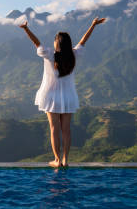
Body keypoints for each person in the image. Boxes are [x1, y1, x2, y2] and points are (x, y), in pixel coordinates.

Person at [19, 17, 106, 168]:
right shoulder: (74, 55)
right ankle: (66, 159)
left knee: (54, 129)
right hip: (68, 97)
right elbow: (83, 41)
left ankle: (57, 160)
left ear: (56, 43)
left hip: (51, 97)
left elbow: (36, 42)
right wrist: (93, 25)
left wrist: (26, 29)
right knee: (66, 130)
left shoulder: (49, 54)